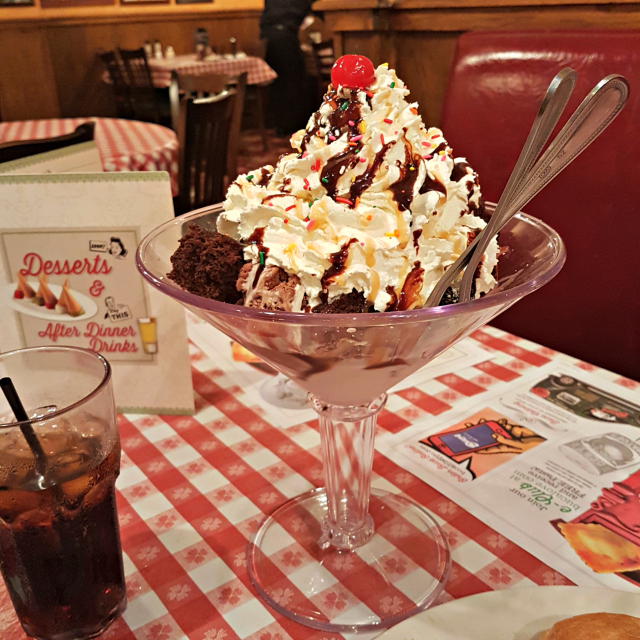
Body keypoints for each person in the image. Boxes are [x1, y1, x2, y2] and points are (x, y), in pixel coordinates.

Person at [261, 0, 317, 136]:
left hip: (270, 37)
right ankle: (293, 126)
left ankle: (281, 125)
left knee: (279, 82)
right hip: (285, 36)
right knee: (293, 81)